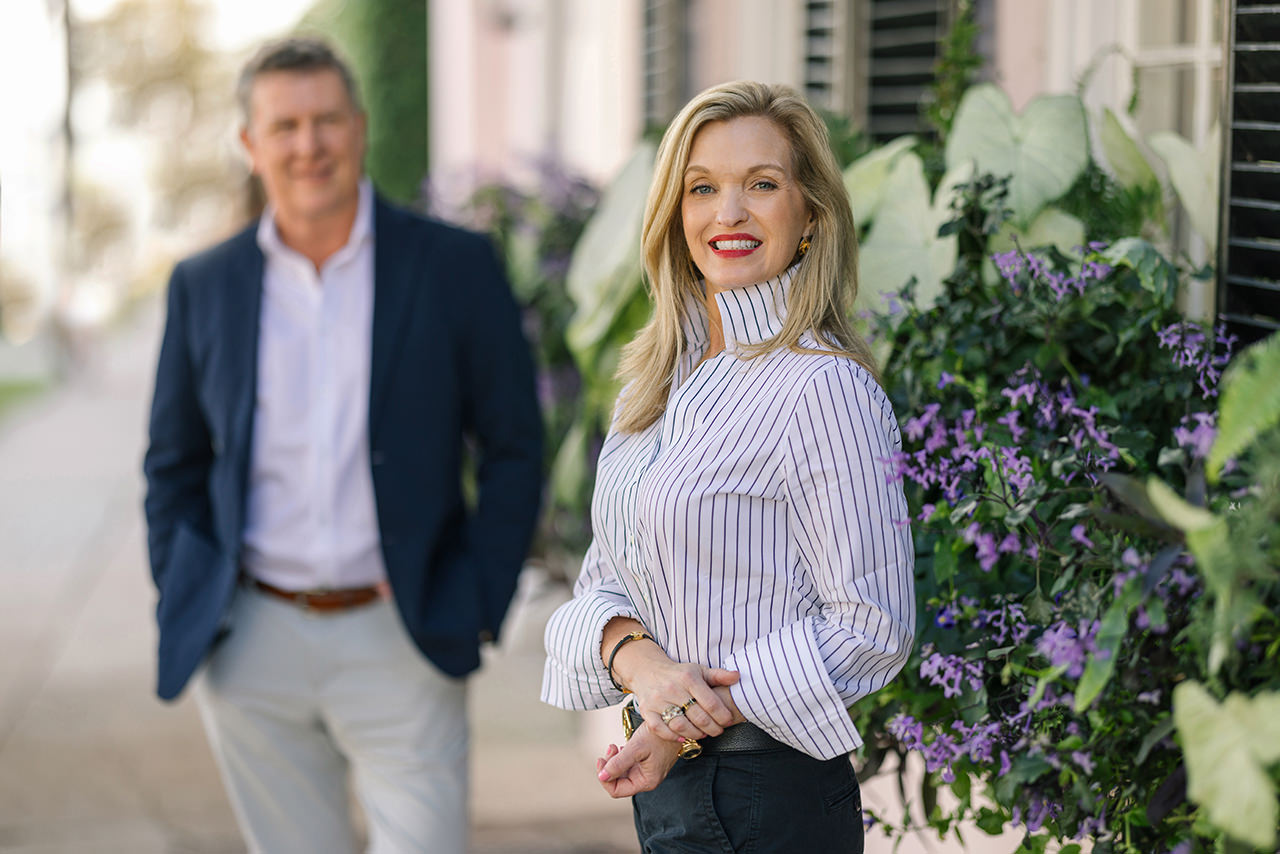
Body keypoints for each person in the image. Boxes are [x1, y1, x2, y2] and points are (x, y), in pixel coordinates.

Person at [143, 37, 543, 854]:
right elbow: (172, 464)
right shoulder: (204, 285)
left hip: (402, 631)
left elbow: (514, 444)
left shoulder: (453, 265)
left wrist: (474, 595)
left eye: (326, 120)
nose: (308, 144)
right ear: (251, 145)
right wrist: (187, 588)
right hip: (251, 641)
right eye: (284, 125)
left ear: (359, 129)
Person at [541, 80, 916, 852]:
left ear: (810, 213)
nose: (729, 213)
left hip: (768, 799)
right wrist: (637, 662)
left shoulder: (825, 387)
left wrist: (683, 712)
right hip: (674, 785)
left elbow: (874, 627)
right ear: (675, 217)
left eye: (763, 185)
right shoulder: (652, 384)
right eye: (702, 188)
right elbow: (600, 587)